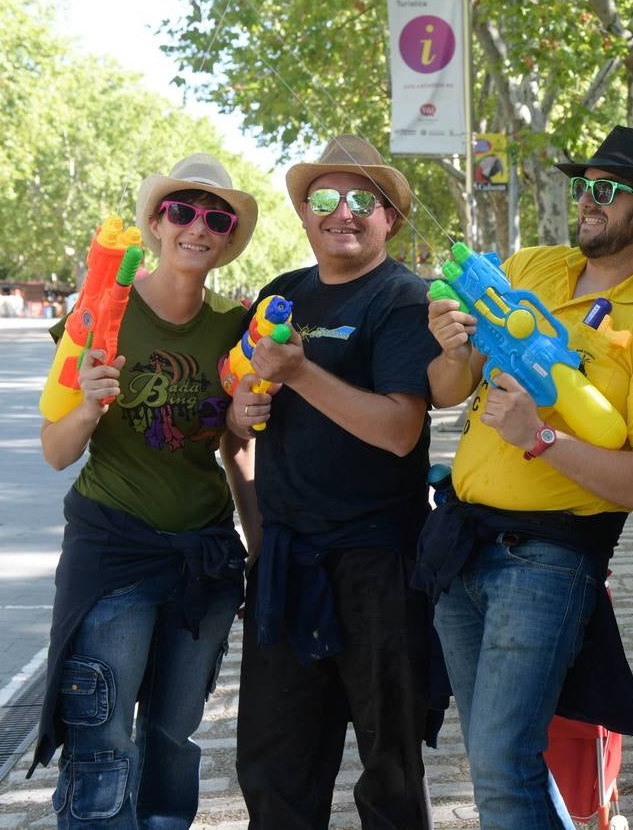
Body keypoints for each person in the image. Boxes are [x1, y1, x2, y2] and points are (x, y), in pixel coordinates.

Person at [422, 125, 633, 827]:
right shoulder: (530, 268)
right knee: (497, 758)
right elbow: (446, 391)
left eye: (605, 191)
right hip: (459, 542)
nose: (586, 199)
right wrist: (452, 346)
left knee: (499, 760)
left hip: (547, 561)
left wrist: (542, 439)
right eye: (582, 185)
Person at [35, 154, 260, 828]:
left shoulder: (233, 327)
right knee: (102, 740)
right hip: (115, 555)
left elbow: (234, 447)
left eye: (215, 218)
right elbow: (55, 450)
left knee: (172, 739)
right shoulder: (102, 313)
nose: (198, 227)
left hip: (204, 560)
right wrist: (87, 408)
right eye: (182, 211)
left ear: (226, 238)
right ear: (157, 224)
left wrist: (260, 542)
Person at [228, 134, 439, 830]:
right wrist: (244, 404)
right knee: (275, 770)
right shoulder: (282, 294)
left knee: (390, 774)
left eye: (361, 200)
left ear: (390, 218)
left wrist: (298, 373)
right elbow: (244, 403)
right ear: (304, 212)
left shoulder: (403, 299)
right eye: (324, 198)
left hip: (379, 565)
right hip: (289, 565)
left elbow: (399, 430)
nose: (341, 213)